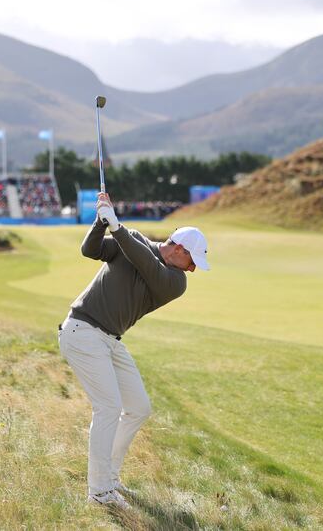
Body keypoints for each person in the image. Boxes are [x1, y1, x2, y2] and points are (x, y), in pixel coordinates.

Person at [58, 192, 210, 508]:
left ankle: (110, 478)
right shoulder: (132, 240)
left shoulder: (176, 281)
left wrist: (118, 227)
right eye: (193, 261)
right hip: (82, 331)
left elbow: (148, 265)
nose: (193, 269)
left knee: (139, 407)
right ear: (180, 250)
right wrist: (101, 223)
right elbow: (90, 250)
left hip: (110, 340)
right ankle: (100, 492)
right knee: (108, 407)